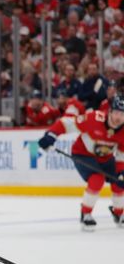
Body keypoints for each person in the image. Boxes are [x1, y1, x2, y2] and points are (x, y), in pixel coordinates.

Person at [37, 96, 124, 230]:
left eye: (123, 114)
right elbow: (66, 123)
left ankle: (119, 213)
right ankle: (86, 214)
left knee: (120, 181)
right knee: (97, 179)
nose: (119, 117)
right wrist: (51, 135)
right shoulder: (93, 119)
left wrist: (121, 172)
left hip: (105, 158)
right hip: (83, 154)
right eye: (117, 112)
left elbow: (121, 155)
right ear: (110, 111)